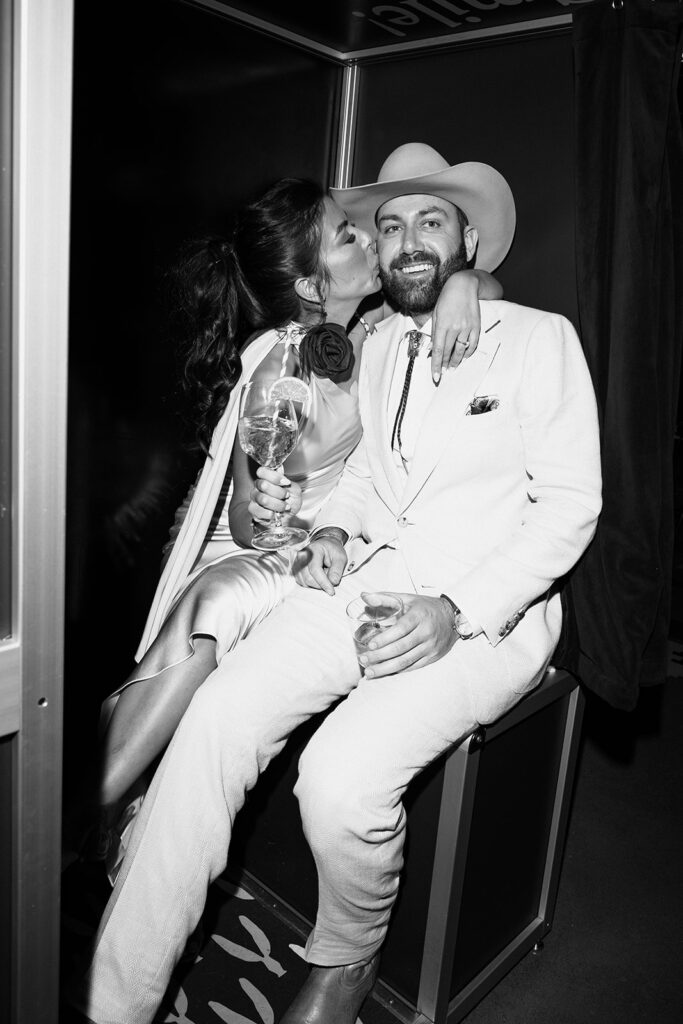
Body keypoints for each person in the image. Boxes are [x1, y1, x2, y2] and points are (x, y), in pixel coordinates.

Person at [72, 143, 601, 1024]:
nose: (404, 239)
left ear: (469, 237)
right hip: (361, 578)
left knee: (339, 782)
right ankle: (112, 1001)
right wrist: (328, 529)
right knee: (214, 720)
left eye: (431, 219)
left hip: (482, 613)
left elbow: (570, 508)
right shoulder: (376, 340)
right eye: (387, 225)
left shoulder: (541, 339)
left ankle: (346, 955)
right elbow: (362, 480)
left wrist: (454, 611)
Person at [84, 174, 502, 879]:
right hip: (255, 549)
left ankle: (115, 801)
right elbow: (245, 518)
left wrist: (464, 285)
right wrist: (269, 508)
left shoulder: (373, 334)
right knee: (222, 599)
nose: (371, 238)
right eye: (348, 235)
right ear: (312, 287)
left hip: (324, 548)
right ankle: (81, 811)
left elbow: (485, 292)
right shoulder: (276, 360)